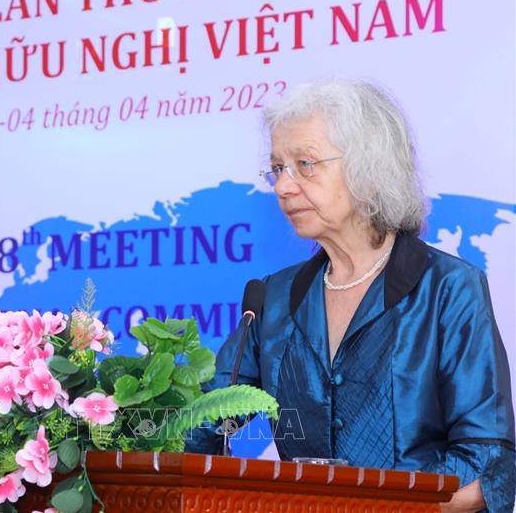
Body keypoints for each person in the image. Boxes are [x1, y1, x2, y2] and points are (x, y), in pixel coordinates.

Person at [186, 81, 515, 511]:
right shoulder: (274, 299)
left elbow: (487, 465)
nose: (283, 187)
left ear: (370, 171)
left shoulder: (448, 288)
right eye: (278, 168)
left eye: (304, 164)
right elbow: (204, 421)